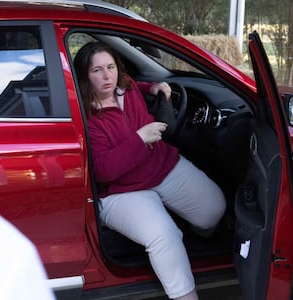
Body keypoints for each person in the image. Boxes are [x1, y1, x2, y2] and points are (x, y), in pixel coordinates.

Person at [74, 41, 226, 300]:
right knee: (164, 236)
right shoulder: (85, 114)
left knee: (215, 209)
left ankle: (188, 236)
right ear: (85, 77)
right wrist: (139, 138)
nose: (107, 76)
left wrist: (154, 87)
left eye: (110, 67)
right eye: (96, 70)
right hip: (121, 192)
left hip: (161, 167)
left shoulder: (127, 86)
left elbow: (138, 86)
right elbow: (102, 171)